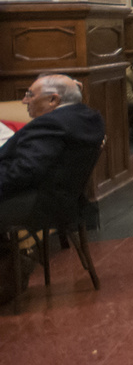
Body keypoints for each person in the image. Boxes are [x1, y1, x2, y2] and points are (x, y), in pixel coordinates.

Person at [0, 75, 106, 303]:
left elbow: (25, 171)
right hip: (65, 201)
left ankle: (11, 273)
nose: (24, 101)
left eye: (30, 95)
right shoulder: (88, 117)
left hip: (39, 204)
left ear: (53, 100)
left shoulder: (51, 124)